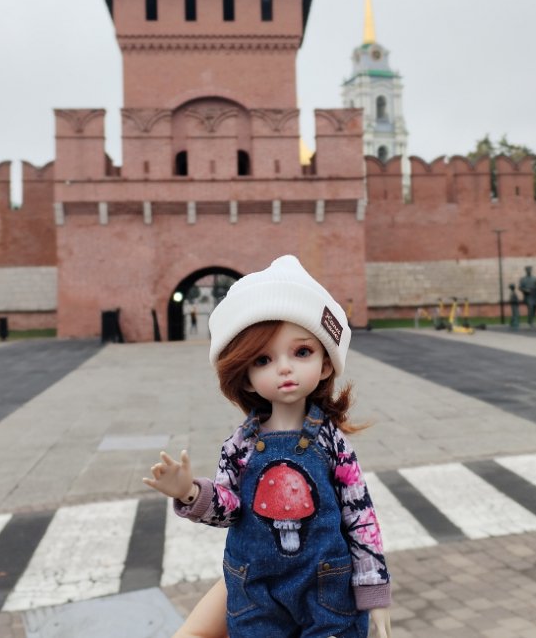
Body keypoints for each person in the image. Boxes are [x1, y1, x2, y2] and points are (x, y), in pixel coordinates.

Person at [145, 255, 391, 638]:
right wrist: (191, 492)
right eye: (264, 359)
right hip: (254, 591)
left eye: (302, 352)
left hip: (327, 590)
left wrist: (373, 590)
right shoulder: (239, 446)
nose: (285, 368)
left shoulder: (331, 442)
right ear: (244, 376)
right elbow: (229, 509)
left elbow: (359, 516)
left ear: (326, 364)